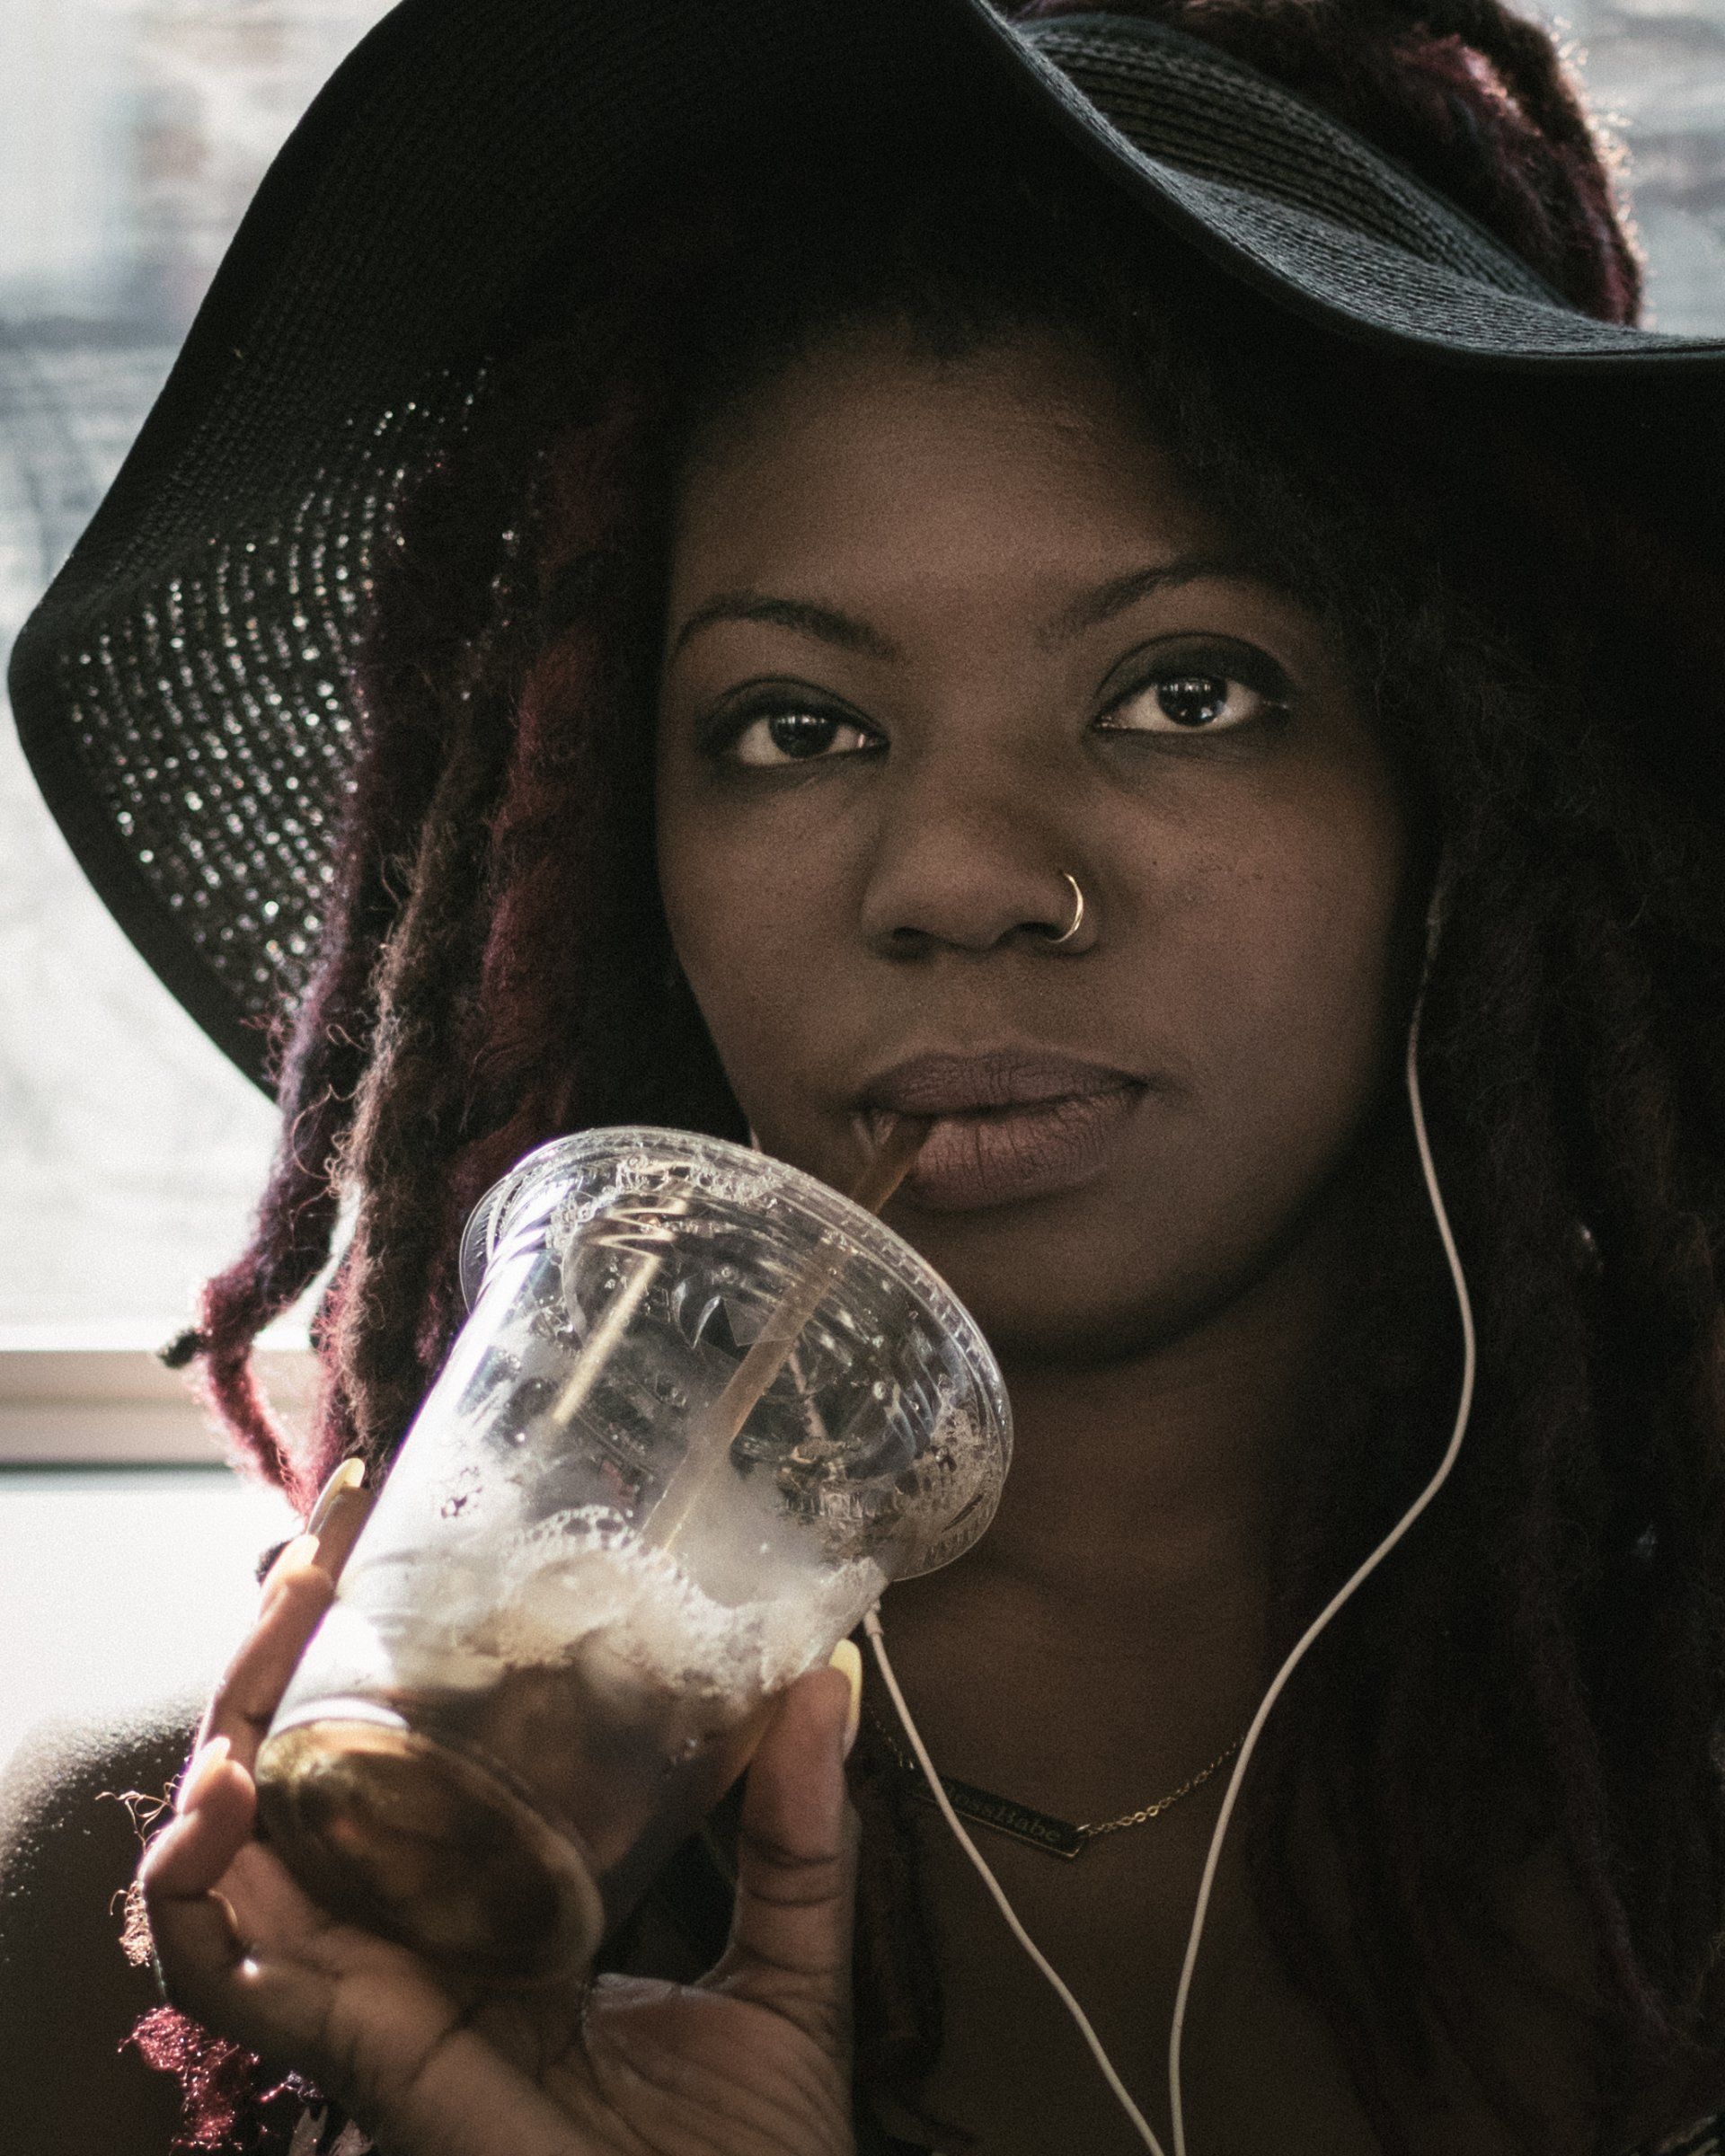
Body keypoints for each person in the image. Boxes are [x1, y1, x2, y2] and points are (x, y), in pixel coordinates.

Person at [5, 1, 1725, 2151]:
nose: (963, 878)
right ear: (615, 856)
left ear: (1474, 786)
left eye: (1187, 691)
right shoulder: (186, 1954)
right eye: (796, 726)